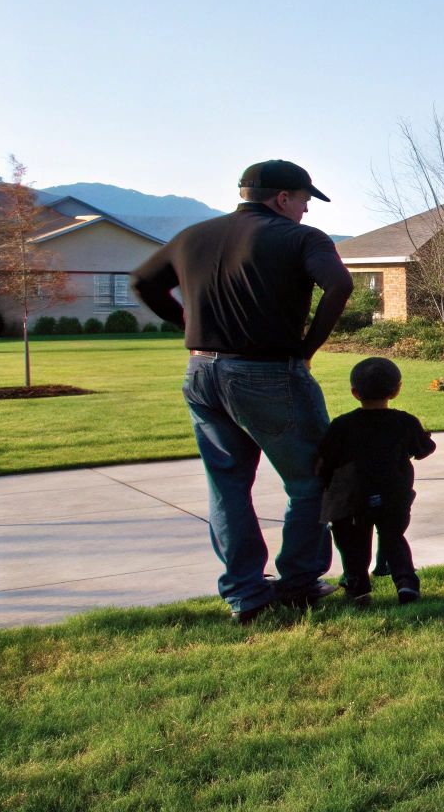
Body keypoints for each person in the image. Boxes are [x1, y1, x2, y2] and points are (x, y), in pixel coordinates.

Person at [132, 160, 353, 624]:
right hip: (269, 372)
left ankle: (245, 594)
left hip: (201, 374)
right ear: (282, 199)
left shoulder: (193, 236)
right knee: (311, 476)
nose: (307, 210)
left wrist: (189, 327)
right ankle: (297, 582)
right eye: (305, 201)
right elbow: (339, 284)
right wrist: (307, 348)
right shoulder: (300, 239)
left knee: (228, 486)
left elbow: (142, 282)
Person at [317, 357, 436, 606]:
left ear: (354, 392)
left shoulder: (342, 425)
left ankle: (358, 585)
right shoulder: (405, 421)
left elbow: (324, 460)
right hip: (393, 495)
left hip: (351, 499)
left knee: (353, 544)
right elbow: (424, 449)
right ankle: (405, 583)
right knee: (394, 538)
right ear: (396, 390)